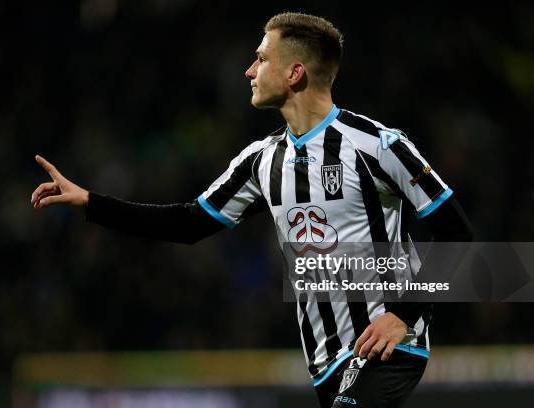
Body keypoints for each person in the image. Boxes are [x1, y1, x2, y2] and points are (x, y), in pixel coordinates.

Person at [31, 12, 472, 407]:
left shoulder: (377, 146)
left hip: (388, 344)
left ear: (295, 73)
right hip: (324, 360)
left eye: (261, 59)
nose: (249, 70)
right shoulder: (262, 161)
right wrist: (92, 203)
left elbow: (458, 235)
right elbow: (189, 223)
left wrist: (404, 313)